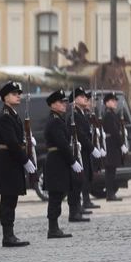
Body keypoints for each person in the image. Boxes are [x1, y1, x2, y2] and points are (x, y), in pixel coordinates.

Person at [0, 81, 33, 247]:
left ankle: (10, 233)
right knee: (8, 198)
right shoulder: (5, 117)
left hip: (12, 161)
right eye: (14, 93)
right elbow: (12, 143)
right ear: (6, 98)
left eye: (19, 93)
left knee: (12, 198)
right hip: (8, 161)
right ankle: (7, 235)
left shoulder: (13, 115)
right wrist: (25, 160)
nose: (18, 96)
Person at [42, 89, 80, 237]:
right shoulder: (54, 122)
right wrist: (72, 161)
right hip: (56, 161)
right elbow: (62, 144)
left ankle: (55, 227)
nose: (64, 105)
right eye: (60, 103)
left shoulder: (59, 119)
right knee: (55, 195)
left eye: (65, 102)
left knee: (58, 194)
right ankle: (53, 228)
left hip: (59, 160)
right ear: (52, 105)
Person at [69, 87, 97, 221]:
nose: (85, 98)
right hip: (79, 152)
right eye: (81, 96)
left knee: (84, 178)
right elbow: (80, 134)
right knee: (78, 180)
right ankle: (75, 210)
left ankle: (79, 207)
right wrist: (92, 148)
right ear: (74, 100)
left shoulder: (80, 114)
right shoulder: (74, 115)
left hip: (84, 151)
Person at [102, 93, 128, 201]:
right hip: (111, 144)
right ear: (107, 103)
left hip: (112, 144)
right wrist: (122, 144)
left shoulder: (111, 114)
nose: (115, 102)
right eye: (112, 101)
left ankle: (110, 193)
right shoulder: (108, 115)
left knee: (111, 170)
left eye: (115, 100)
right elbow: (114, 131)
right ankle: (110, 194)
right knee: (110, 171)